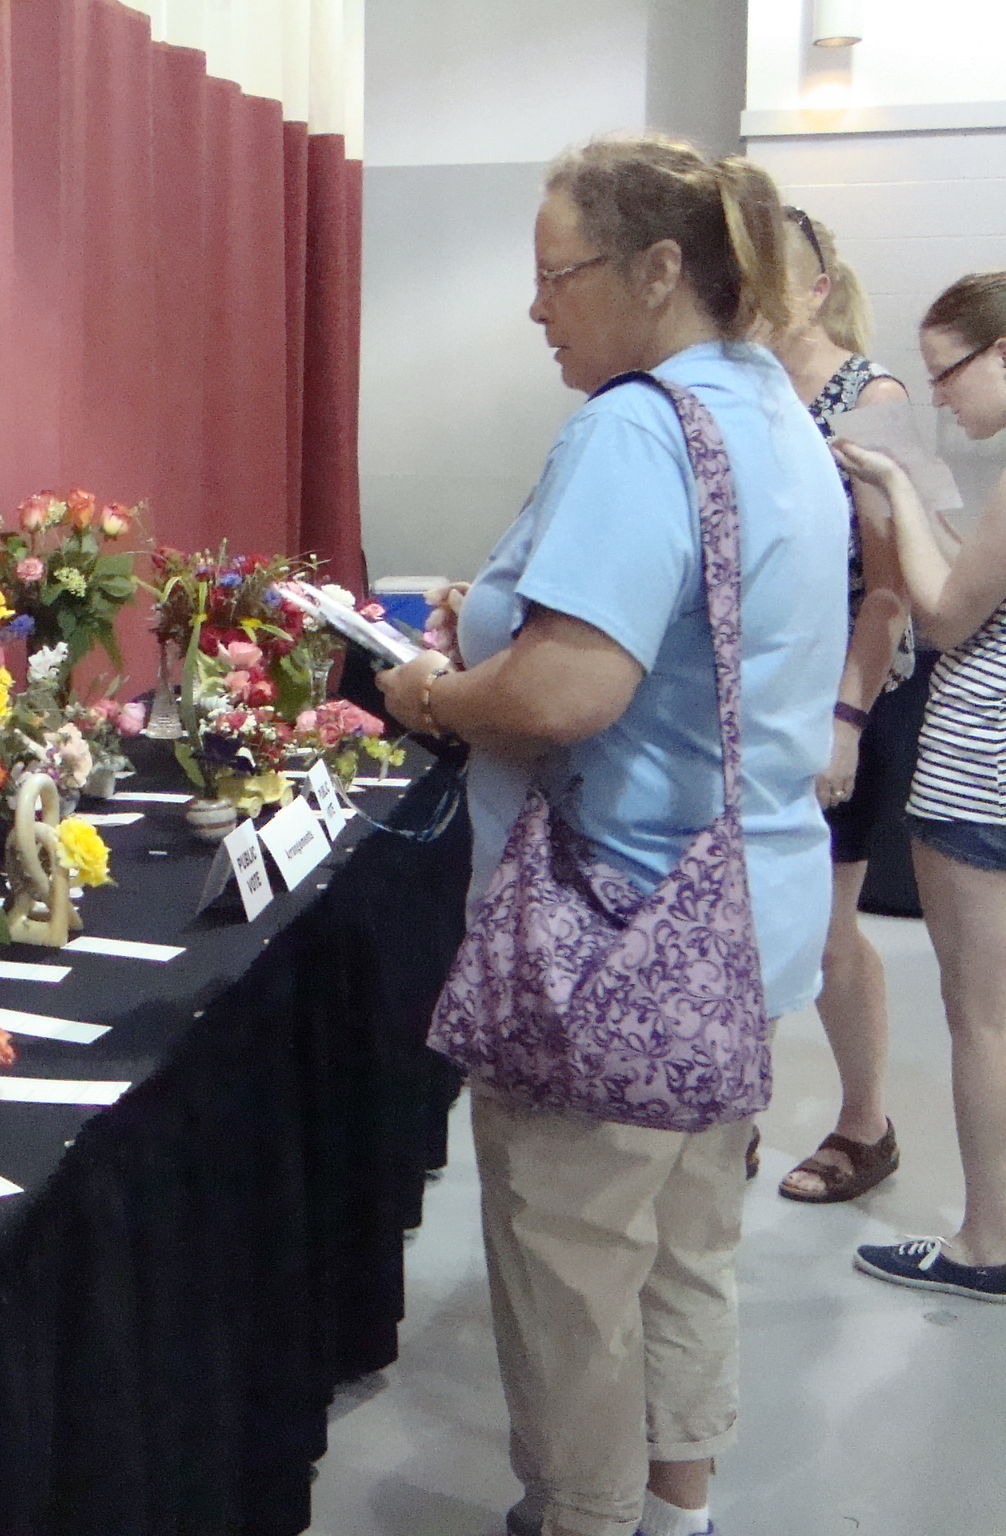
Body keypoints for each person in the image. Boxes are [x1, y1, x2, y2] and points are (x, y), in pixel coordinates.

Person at [377, 134, 848, 1536]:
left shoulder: (639, 427)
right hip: (742, 927)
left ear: (656, 271)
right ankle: (676, 1504)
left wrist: (439, 690)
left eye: (554, 275)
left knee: (574, 1264)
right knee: (690, 1245)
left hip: (622, 930)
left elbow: (575, 691)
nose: (536, 309)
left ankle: (582, 1514)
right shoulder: (775, 416)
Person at [835, 271, 1006, 1302]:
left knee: (978, 1018)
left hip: (979, 769)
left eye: (946, 373)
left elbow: (941, 618)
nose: (937, 396)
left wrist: (891, 485)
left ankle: (982, 1243)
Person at [768, 208, 914, 1203]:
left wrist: (846, 718)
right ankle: (725, 1112)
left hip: (847, 693)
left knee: (822, 920)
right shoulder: (733, 390)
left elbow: (890, 588)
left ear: (816, 287)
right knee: (740, 912)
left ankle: (865, 1124)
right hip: (758, 694)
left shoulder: (871, 397)